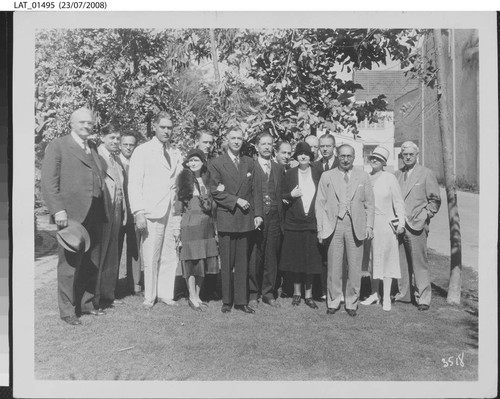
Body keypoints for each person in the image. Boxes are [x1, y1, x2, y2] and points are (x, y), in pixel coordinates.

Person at [41, 107, 107, 325]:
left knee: (91, 261)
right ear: (72, 123)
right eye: (82, 123)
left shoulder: (93, 147)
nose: (87, 126)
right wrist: (57, 209)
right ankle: (68, 311)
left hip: (96, 212)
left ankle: (86, 304)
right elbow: (49, 181)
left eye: (89, 123)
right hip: (71, 214)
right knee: (69, 265)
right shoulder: (58, 145)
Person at [127, 111, 183, 309]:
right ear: (155, 128)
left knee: (169, 253)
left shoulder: (175, 152)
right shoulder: (143, 151)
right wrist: (138, 212)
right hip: (151, 210)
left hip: (170, 209)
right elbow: (134, 183)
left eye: (169, 127)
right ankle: (149, 297)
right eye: (163, 127)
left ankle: (166, 293)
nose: (167, 131)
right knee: (151, 254)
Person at [315, 144, 375, 317]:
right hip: (334, 226)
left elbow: (369, 204)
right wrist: (320, 228)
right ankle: (333, 301)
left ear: (354, 157)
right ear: (337, 156)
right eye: (342, 156)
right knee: (334, 266)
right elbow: (320, 203)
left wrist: (369, 225)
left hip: (356, 225)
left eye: (349, 156)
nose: (346, 159)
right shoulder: (327, 176)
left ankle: (352, 302)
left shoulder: (363, 176)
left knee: (355, 267)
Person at [208, 126, 263, 314]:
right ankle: (227, 300)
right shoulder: (216, 163)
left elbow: (256, 190)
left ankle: (241, 301)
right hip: (227, 218)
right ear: (227, 139)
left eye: (240, 138)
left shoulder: (250, 162)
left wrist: (258, 215)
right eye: (233, 138)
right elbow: (215, 191)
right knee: (227, 261)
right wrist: (235, 200)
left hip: (246, 219)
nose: (237, 141)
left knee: (242, 262)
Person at [394, 141, 441, 310]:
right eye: (404, 154)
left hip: (417, 225)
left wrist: (425, 215)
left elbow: (435, 200)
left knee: (419, 263)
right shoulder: (396, 174)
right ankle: (404, 294)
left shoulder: (426, 174)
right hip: (399, 226)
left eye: (410, 154)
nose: (407, 157)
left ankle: (423, 298)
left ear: (417, 155)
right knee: (402, 262)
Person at [360, 146, 405, 311]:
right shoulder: (366, 177)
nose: (374, 161)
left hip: (385, 225)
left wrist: (401, 224)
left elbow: (398, 202)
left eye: (378, 159)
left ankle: (386, 296)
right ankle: (373, 294)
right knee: (372, 260)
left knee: (387, 261)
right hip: (369, 225)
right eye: (372, 158)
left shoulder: (389, 178)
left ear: (384, 162)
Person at [279, 142, 323, 310]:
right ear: (296, 156)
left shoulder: (318, 172)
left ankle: (309, 294)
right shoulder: (289, 174)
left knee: (311, 260)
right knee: (296, 260)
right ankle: (297, 293)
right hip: (294, 223)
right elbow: (280, 196)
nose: (303, 156)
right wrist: (291, 195)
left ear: (311, 156)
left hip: (312, 223)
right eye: (299, 154)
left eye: (306, 154)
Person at [175, 149, 219, 311]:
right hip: (190, 226)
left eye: (196, 160)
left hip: (206, 226)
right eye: (190, 160)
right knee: (191, 262)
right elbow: (178, 207)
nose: (193, 163)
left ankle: (198, 295)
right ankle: (192, 296)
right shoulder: (183, 180)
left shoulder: (208, 179)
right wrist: (177, 229)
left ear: (203, 162)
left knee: (203, 261)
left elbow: (213, 203)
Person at [248, 132, 284, 309]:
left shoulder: (278, 168)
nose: (267, 147)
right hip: (257, 218)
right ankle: (253, 293)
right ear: (257, 147)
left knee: (271, 257)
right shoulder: (251, 166)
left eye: (270, 144)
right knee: (255, 256)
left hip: (275, 218)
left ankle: (268, 293)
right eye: (263, 144)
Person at [95, 125, 127, 309]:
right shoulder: (96, 157)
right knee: (100, 254)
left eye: (117, 138)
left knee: (113, 254)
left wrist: (123, 211)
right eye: (112, 138)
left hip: (117, 211)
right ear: (102, 137)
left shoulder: (117, 160)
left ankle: (108, 294)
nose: (115, 142)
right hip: (103, 211)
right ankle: (95, 296)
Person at [311, 133, 340, 301]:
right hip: (319, 216)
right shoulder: (314, 166)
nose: (325, 149)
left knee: (337, 256)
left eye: (328, 146)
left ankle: (337, 290)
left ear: (333, 147)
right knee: (321, 256)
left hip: (337, 217)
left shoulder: (341, 164)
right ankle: (321, 289)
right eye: (322, 146)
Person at [118, 132, 142, 296]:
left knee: (135, 250)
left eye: (131, 145)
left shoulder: (138, 163)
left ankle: (135, 285)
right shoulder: (113, 161)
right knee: (115, 250)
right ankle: (112, 286)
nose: (128, 147)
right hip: (118, 214)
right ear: (120, 145)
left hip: (134, 213)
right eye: (125, 144)